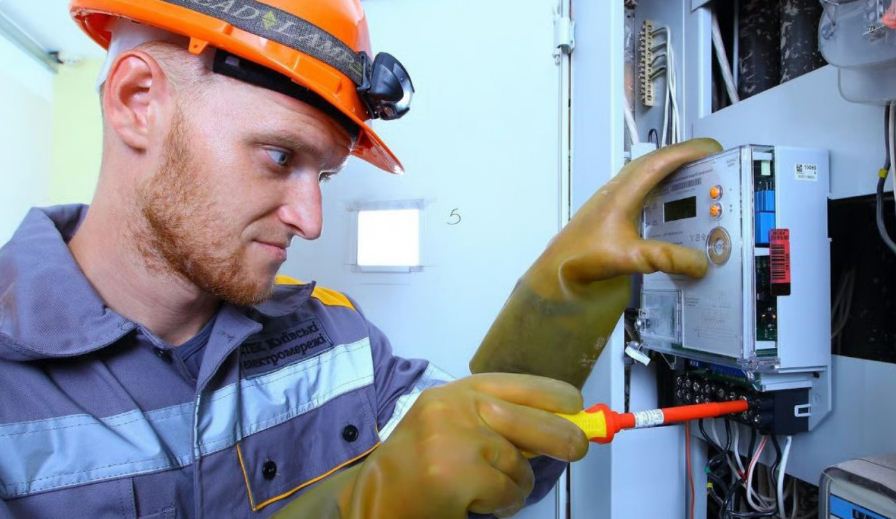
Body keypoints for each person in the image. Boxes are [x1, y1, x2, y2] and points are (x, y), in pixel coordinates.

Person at [0, 1, 720, 517]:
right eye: (279, 156)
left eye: (324, 175)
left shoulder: (335, 336)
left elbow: (496, 461)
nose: (311, 220)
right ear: (136, 101)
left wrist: (560, 303)